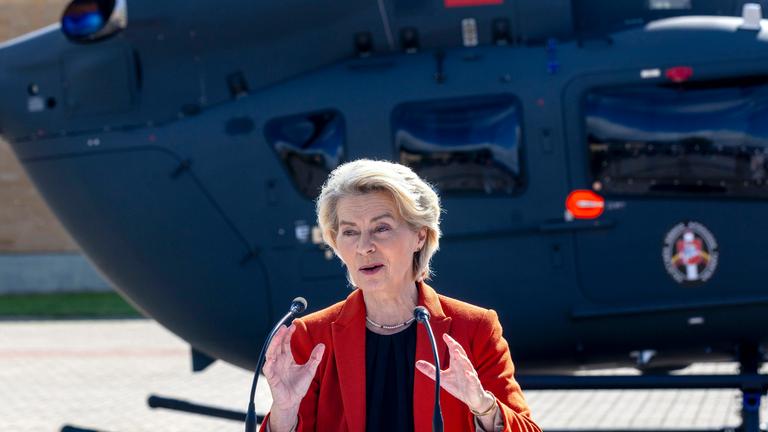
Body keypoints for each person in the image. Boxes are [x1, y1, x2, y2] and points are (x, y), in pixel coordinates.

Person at [260, 159, 540, 432]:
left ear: (420, 236)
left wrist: (484, 407)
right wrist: (284, 413)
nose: (364, 246)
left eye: (381, 228)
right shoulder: (312, 336)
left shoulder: (475, 328)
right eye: (349, 232)